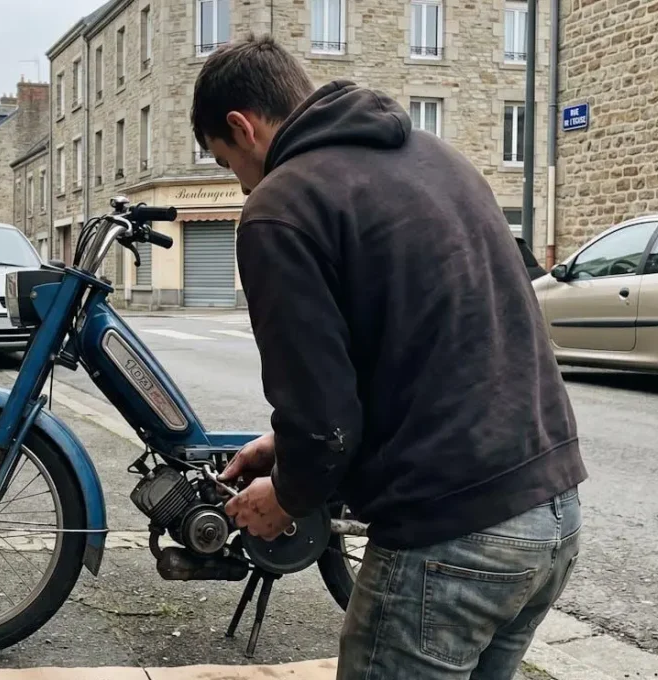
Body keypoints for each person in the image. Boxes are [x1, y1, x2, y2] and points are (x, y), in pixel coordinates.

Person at [196, 35, 587, 679]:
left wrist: (288, 497)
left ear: (243, 127)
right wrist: (281, 444)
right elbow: (445, 336)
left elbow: (321, 416)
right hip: (553, 510)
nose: (239, 187)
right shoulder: (441, 160)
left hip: (450, 535)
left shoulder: (282, 206)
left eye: (225, 162)